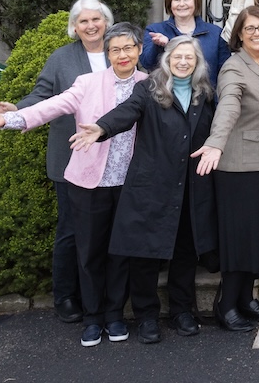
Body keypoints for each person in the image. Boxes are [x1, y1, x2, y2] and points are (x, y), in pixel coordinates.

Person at [0, 23, 147, 347]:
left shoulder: (149, 84)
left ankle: (115, 315)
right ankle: (93, 318)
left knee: (121, 254)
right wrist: (13, 118)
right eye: (115, 50)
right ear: (107, 54)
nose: (122, 55)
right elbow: (52, 105)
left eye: (128, 48)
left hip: (130, 185)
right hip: (88, 183)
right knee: (90, 252)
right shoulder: (87, 83)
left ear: (139, 50)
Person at [71, 36, 218, 345]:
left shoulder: (204, 93)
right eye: (177, 56)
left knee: (184, 253)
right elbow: (127, 112)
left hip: (190, 188)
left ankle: (181, 311)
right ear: (167, 59)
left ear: (197, 62)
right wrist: (101, 128)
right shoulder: (149, 89)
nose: (182, 62)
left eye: (189, 58)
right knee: (145, 256)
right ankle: (147, 315)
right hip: (152, 187)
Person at [0, 0, 113, 324]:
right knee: (72, 230)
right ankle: (66, 296)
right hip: (72, 155)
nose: (91, 26)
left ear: (106, 21)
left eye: (96, 20)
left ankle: (104, 295)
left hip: (114, 156)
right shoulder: (61, 58)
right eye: (83, 21)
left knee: (108, 230)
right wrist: (18, 109)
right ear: (74, 27)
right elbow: (43, 94)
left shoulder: (117, 51)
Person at [190, 7, 259, 333]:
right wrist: (215, 143)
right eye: (250, 28)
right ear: (239, 34)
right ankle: (226, 305)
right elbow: (228, 105)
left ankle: (246, 299)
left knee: (255, 238)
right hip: (239, 167)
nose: (257, 32)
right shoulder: (233, 67)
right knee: (240, 241)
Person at [142, 0, 232, 86]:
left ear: (196, 1)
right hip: (165, 98)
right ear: (169, 4)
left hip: (206, 99)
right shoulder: (155, 30)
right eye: (176, 0)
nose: (182, 4)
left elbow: (224, 72)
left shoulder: (216, 34)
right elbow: (146, 63)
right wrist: (158, 46)